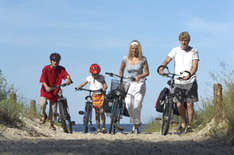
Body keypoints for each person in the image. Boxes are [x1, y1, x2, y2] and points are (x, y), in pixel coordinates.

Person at [158, 31, 199, 133]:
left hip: (190, 80)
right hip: (178, 81)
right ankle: (184, 121)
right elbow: (167, 60)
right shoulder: (175, 50)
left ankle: (189, 126)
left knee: (189, 104)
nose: (184, 42)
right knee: (179, 105)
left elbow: (195, 66)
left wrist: (189, 74)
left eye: (186, 40)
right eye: (182, 40)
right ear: (179, 41)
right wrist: (162, 68)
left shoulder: (194, 50)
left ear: (189, 41)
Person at [119, 40, 150, 134]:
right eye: (132, 48)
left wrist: (139, 76)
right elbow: (121, 70)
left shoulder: (143, 59)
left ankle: (135, 126)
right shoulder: (125, 59)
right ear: (130, 49)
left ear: (139, 49)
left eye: (136, 48)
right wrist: (121, 80)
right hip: (128, 84)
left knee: (137, 105)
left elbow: (147, 72)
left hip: (140, 83)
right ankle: (136, 121)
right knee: (128, 104)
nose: (134, 50)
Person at [39, 52, 72, 130]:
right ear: (51, 61)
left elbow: (67, 75)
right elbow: (43, 80)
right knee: (42, 104)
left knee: (53, 110)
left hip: (55, 91)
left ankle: (52, 124)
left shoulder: (61, 69)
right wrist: (47, 87)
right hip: (46, 90)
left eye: (57, 61)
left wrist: (68, 79)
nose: (55, 62)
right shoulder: (45, 68)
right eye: (54, 60)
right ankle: (43, 116)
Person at [76, 64, 107, 133]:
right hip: (94, 95)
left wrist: (104, 89)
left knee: (101, 111)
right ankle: (98, 128)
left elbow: (105, 85)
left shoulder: (101, 77)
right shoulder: (89, 78)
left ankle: (104, 127)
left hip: (101, 95)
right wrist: (79, 87)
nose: (94, 75)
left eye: (96, 74)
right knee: (96, 113)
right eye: (93, 74)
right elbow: (84, 83)